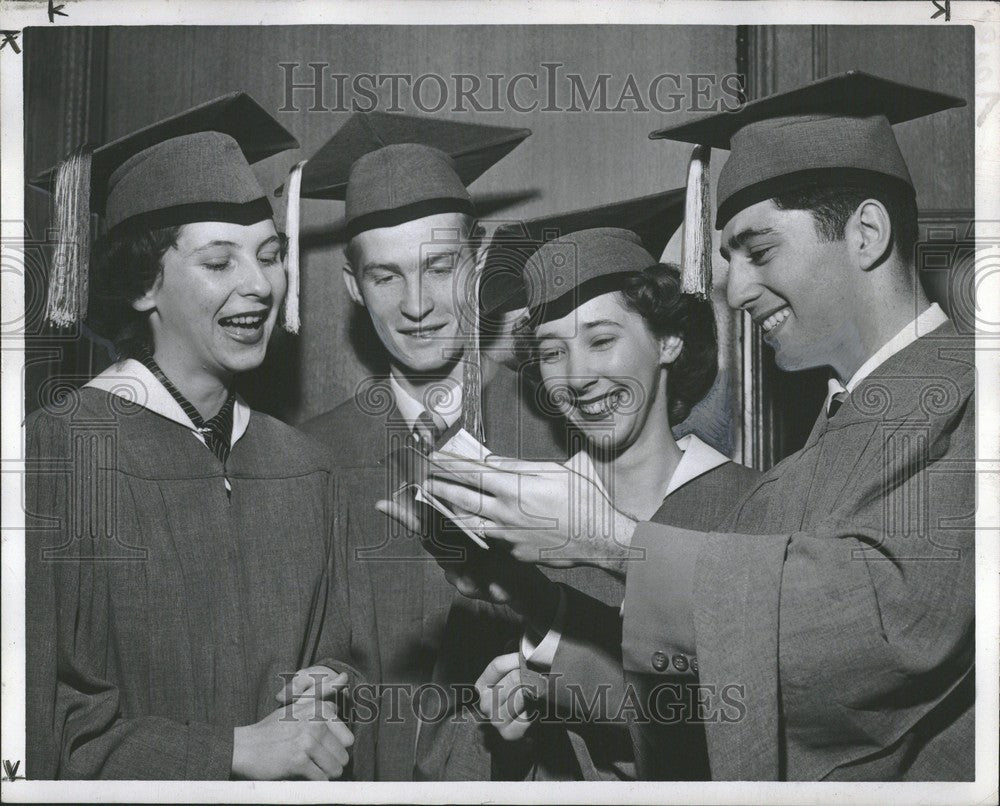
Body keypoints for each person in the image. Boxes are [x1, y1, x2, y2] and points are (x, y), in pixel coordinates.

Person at [419, 71, 975, 781]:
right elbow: (751, 701)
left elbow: (884, 634)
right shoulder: (832, 434)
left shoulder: (968, 397)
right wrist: (535, 606)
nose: (733, 290)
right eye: (729, 257)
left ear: (866, 233)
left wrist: (611, 541)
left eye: (759, 250)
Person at [25, 94, 372, 780]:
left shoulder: (302, 464)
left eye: (269, 256)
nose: (259, 285)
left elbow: (338, 654)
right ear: (144, 287)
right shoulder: (61, 453)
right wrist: (234, 752)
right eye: (220, 262)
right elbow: (38, 727)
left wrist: (326, 688)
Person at [412, 227, 759, 780]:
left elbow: (758, 731)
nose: (577, 378)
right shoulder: (514, 517)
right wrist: (512, 748)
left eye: (601, 340)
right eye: (552, 351)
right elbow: (446, 764)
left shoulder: (756, 510)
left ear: (669, 340)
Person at [292, 111, 574, 780]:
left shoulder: (560, 433)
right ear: (354, 289)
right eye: (387, 277)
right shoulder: (309, 458)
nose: (416, 304)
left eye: (440, 266)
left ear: (478, 263)